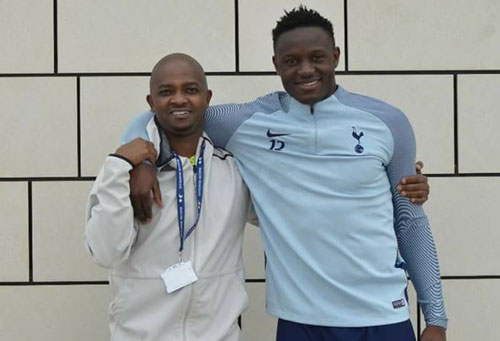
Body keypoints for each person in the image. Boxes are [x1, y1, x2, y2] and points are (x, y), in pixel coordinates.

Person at [122, 6, 447, 341]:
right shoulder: (246, 122)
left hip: (382, 313)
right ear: (276, 64)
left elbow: (410, 219)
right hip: (300, 320)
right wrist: (141, 160)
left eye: (317, 57)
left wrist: (435, 318)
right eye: (291, 61)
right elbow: (163, 115)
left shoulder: (388, 122)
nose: (306, 70)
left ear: (335, 56)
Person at [85, 53, 254, 341]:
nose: (179, 100)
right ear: (151, 102)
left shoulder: (235, 170)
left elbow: (281, 216)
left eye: (190, 90)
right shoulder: (122, 172)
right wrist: (119, 166)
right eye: (166, 92)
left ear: (207, 97)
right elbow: (105, 252)